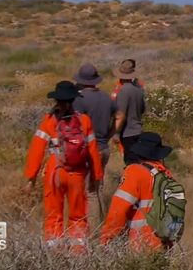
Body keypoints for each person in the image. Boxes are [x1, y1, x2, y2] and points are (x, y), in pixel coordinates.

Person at [23, 81, 103, 253]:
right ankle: (79, 252)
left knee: (54, 214)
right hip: (78, 173)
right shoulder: (84, 121)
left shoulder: (49, 121)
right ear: (73, 99)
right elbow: (93, 151)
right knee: (78, 214)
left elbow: (36, 150)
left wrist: (31, 177)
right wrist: (96, 177)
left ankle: (54, 252)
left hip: (55, 171)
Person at [100, 132, 173, 251]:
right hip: (163, 246)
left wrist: (106, 239)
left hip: (140, 244)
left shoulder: (135, 172)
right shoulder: (167, 175)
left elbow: (118, 210)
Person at [72, 63, 115, 229]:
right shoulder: (106, 98)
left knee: (90, 192)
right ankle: (103, 225)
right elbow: (119, 117)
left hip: (89, 150)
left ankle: (94, 232)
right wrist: (109, 135)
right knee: (99, 188)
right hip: (104, 147)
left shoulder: (79, 100)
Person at [112, 59, 146, 165]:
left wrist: (116, 133)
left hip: (127, 133)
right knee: (138, 162)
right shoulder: (139, 90)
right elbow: (142, 110)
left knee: (130, 163)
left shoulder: (123, 92)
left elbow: (121, 115)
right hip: (138, 130)